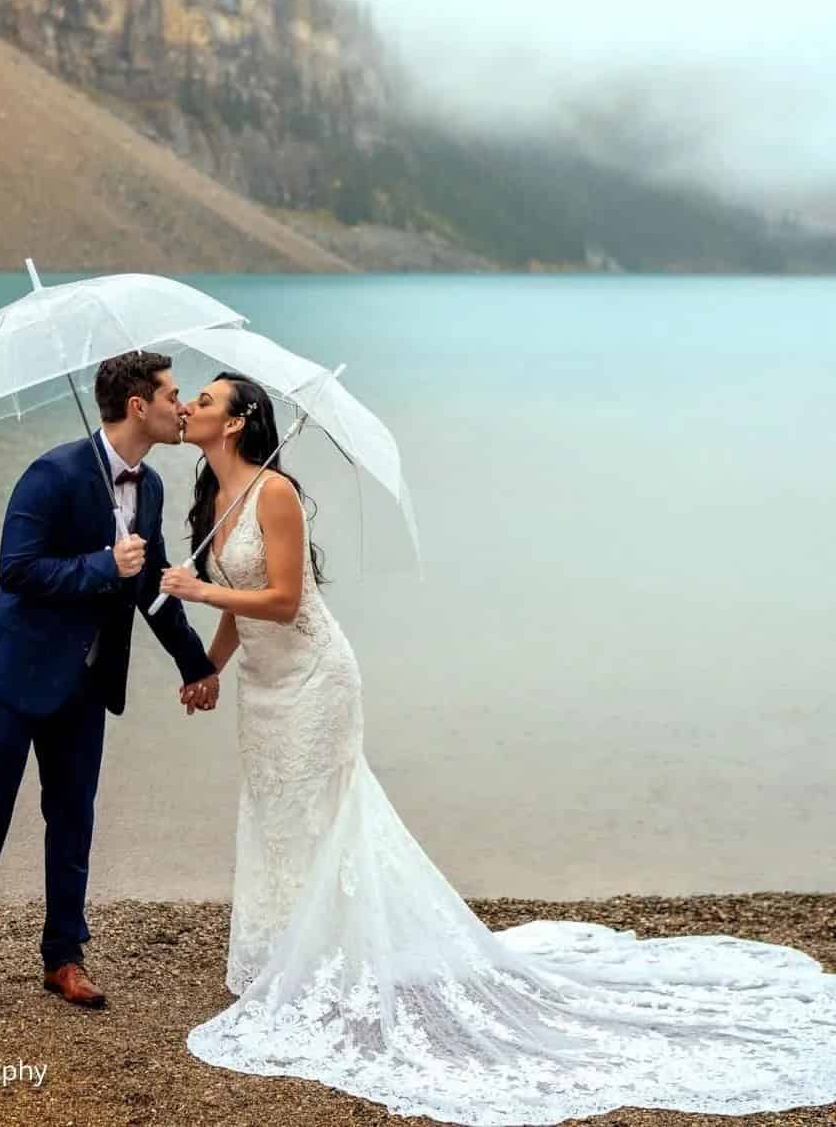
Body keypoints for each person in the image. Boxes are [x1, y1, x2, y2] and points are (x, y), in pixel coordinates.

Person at [160, 372, 836, 1126]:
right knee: (275, 812)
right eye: (188, 399)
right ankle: (283, 949)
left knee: (325, 812)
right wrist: (206, 671)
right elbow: (242, 616)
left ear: (238, 421)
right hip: (263, 683)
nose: (187, 406)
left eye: (205, 402)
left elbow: (284, 600)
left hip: (317, 678)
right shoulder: (212, 498)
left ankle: (331, 955)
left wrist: (199, 594)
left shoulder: (274, 495)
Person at [0, 352, 220, 1023]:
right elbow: (18, 571)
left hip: (86, 681)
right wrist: (100, 565)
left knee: (73, 818)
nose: (182, 409)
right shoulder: (53, 473)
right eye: (173, 396)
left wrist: (195, 665)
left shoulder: (148, 489)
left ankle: (63, 956)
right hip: (13, 675)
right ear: (137, 407)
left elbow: (149, 587)